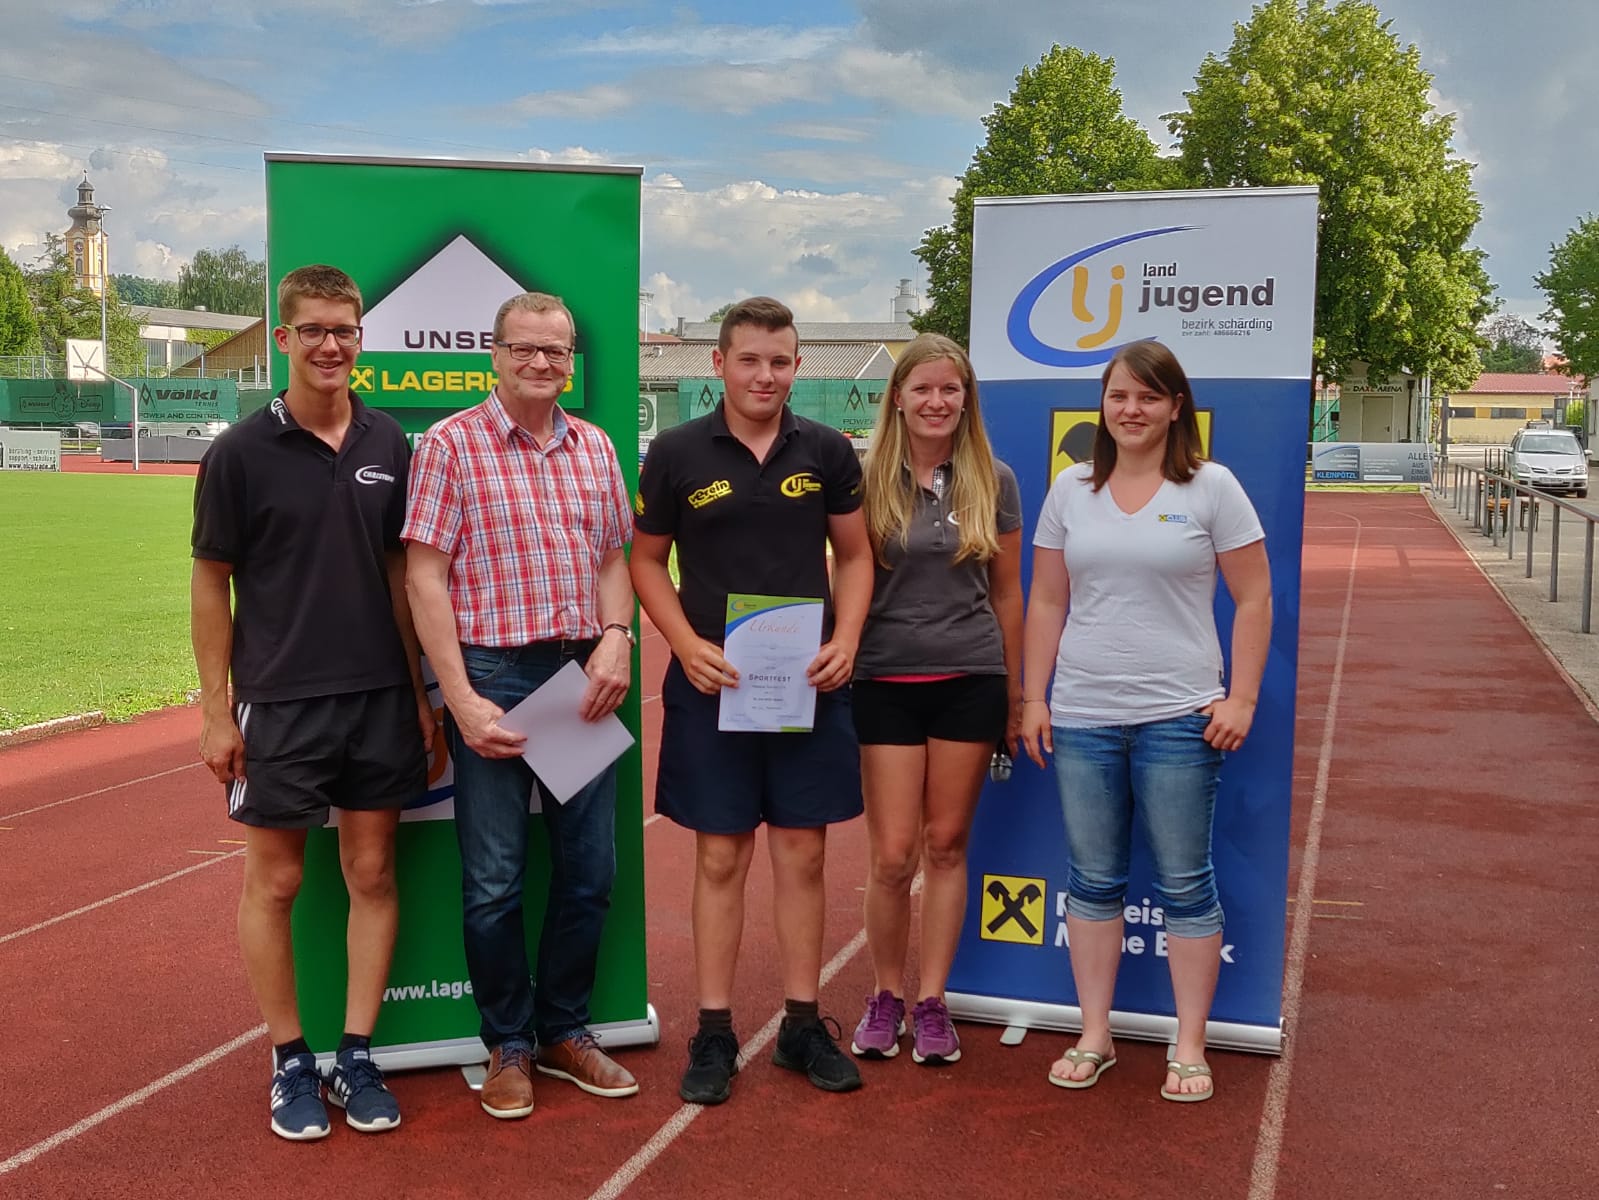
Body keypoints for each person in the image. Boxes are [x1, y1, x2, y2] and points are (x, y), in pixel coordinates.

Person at [190, 264, 433, 1141]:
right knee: (278, 881)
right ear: (284, 338)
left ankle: (355, 1054)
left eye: (345, 330)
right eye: (315, 330)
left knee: (372, 873)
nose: (331, 345)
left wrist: (419, 694)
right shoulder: (238, 452)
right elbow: (210, 583)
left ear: (361, 338)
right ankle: (291, 1059)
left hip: (379, 696)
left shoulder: (388, 441)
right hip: (280, 700)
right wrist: (215, 709)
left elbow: (402, 572)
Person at [631, 296, 874, 1105]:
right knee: (720, 857)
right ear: (719, 364)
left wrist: (846, 638)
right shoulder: (675, 452)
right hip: (714, 685)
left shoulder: (828, 450)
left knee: (803, 855)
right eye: (749, 360)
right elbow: (645, 562)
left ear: (797, 366)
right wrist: (683, 643)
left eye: (778, 361)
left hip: (807, 683)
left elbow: (855, 556)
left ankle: (801, 1025)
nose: (764, 375)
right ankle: (713, 1030)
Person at [403, 291, 638, 1119]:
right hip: (494, 675)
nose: (542, 362)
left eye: (556, 351)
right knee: (493, 881)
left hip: (579, 676)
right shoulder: (449, 444)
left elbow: (612, 558)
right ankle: (507, 1042)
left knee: (590, 873)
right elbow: (424, 576)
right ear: (495, 355)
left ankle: (564, 1031)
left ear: (572, 360)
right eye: (525, 348)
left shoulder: (595, 446)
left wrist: (618, 636)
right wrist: (460, 698)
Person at [1019, 339, 1271, 1103]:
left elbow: (1254, 598)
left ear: (1174, 407)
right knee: (1092, 881)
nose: (1131, 410)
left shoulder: (1212, 487)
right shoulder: (1070, 488)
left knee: (1186, 885)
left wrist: (1240, 699)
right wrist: (1034, 697)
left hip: (1178, 718)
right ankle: (1094, 1035)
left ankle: (1187, 1044)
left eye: (1148, 397)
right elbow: (1046, 600)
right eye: (1118, 396)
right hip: (1083, 716)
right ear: (1102, 404)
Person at [848, 333, 1023, 1067]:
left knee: (946, 846)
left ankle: (932, 1002)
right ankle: (885, 994)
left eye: (950, 389)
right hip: (884, 680)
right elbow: (845, 576)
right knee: (892, 855)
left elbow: (1008, 594)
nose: (936, 401)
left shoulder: (994, 479)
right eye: (922, 388)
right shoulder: (863, 479)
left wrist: (1016, 694)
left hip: (970, 680)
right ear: (898, 398)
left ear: (966, 398)